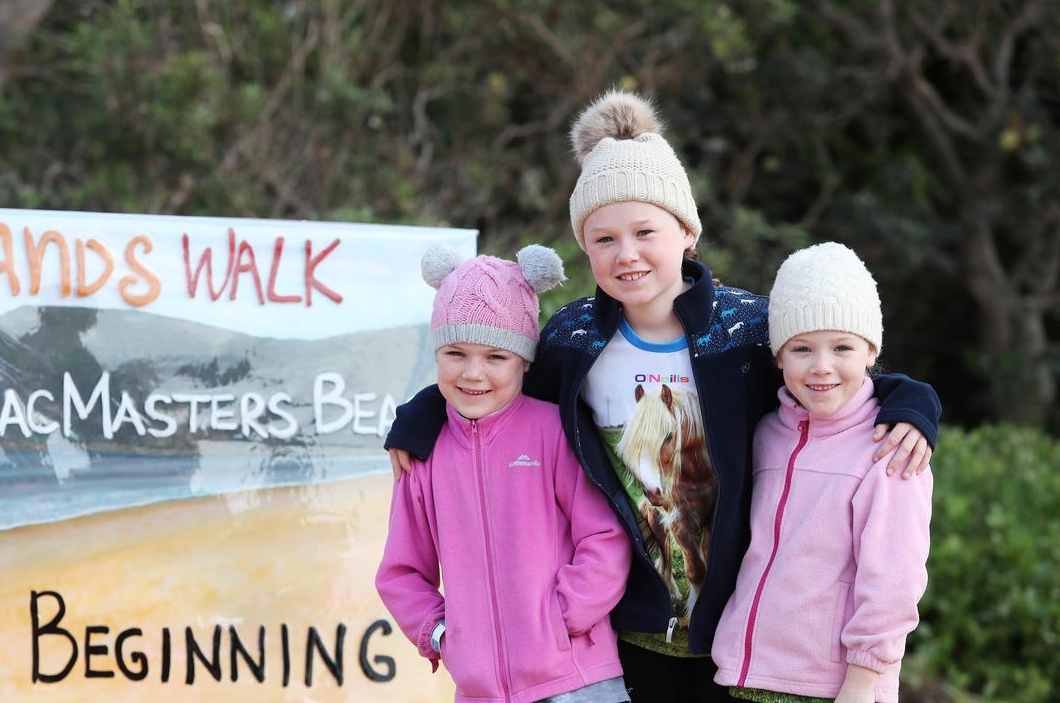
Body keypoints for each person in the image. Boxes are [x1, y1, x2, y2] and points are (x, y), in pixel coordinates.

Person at [385, 90, 941, 702]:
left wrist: (912, 403)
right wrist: (421, 415)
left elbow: (827, 367)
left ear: (685, 231)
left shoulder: (745, 330)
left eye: (645, 231)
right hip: (630, 626)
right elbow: (491, 381)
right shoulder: (572, 340)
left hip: (738, 630)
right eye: (603, 239)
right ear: (583, 246)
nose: (626, 254)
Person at [376, 244, 634, 703]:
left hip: (578, 680)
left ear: (524, 362)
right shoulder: (421, 452)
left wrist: (561, 618)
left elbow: (606, 537)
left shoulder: (555, 431)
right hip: (479, 691)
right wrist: (439, 634)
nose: (474, 373)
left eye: (496, 357)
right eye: (456, 352)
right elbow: (401, 573)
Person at [711, 242, 933, 703]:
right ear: (778, 357)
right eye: (802, 348)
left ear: (872, 350)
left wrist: (863, 680)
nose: (822, 367)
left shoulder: (891, 446)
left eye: (842, 347)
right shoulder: (767, 432)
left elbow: (894, 581)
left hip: (831, 687)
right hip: (746, 673)